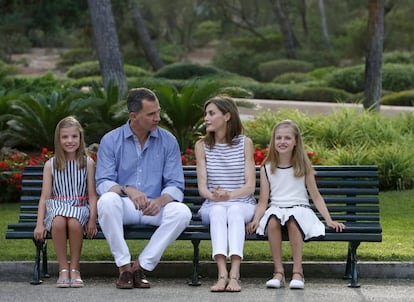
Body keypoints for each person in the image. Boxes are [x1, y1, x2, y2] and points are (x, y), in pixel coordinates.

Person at [96, 87, 192, 289]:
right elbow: (103, 182)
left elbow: (175, 184)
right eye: (151, 114)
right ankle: (124, 268)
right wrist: (127, 189)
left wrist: (160, 201)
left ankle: (140, 267)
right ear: (134, 116)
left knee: (182, 213)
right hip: (124, 206)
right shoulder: (110, 140)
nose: (158, 117)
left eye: (158, 111)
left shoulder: (168, 141)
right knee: (106, 201)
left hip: (154, 207)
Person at [247, 119, 345, 289]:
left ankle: (297, 272)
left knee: (293, 221)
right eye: (278, 138)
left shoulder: (302, 167)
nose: (282, 142)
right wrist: (256, 219)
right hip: (277, 208)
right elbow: (263, 200)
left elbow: (316, 196)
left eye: (287, 138)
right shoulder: (267, 168)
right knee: (272, 221)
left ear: (295, 142)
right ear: (273, 141)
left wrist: (329, 220)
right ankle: (278, 273)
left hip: (300, 209)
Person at [195, 95, 256, 292]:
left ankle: (235, 274)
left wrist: (229, 195)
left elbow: (250, 187)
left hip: (242, 203)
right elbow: (202, 187)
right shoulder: (201, 146)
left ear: (227, 116)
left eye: (212, 113)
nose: (206, 118)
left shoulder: (245, 143)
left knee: (235, 211)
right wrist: (214, 196)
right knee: (219, 211)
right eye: (206, 114)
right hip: (213, 205)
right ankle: (222, 274)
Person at [34, 116, 98, 288]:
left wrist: (92, 220)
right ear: (58, 139)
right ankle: (63, 268)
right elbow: (45, 197)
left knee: (76, 224)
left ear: (80, 138)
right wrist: (39, 224)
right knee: (59, 222)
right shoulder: (51, 164)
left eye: (74, 136)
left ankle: (75, 268)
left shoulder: (88, 163)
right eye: (65, 137)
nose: (70, 141)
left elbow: (92, 195)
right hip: (57, 206)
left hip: (79, 206)